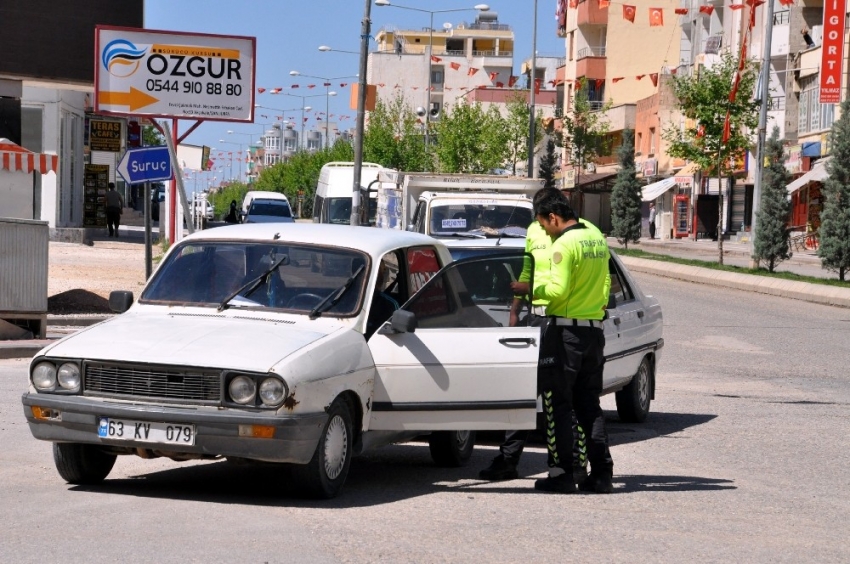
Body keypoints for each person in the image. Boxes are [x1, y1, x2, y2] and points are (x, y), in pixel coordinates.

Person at [479, 188, 588, 484]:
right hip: (537, 317)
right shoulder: (533, 231)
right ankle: (508, 459)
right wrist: (515, 310)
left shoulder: (578, 234)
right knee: (524, 390)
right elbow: (527, 268)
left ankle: (569, 464)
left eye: (543, 218)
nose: (541, 225)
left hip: (565, 320)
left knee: (561, 397)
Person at [512, 190, 613, 494]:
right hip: (594, 332)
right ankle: (602, 475)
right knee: (589, 407)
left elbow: (557, 289)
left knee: (558, 405)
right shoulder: (596, 236)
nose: (544, 231)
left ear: (553, 217)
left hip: (566, 334)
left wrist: (528, 289)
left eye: (544, 225)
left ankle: (562, 475)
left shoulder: (564, 244)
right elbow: (607, 284)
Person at [365, 259, 399, 338]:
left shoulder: (388, 304)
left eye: (383, 272)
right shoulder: (389, 304)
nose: (383, 277)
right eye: (382, 272)